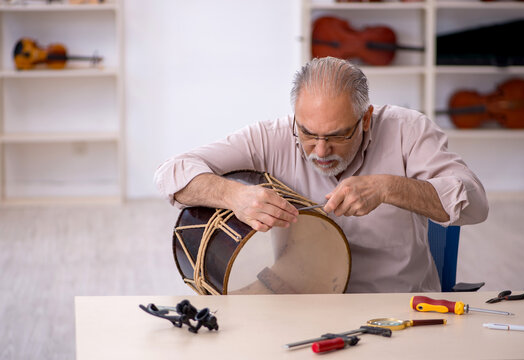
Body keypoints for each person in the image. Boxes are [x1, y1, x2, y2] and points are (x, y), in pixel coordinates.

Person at [154, 56, 489, 293]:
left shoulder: (407, 130)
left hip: (395, 306)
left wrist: (389, 187)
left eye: (337, 135)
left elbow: (475, 204)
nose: (320, 150)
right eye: (308, 133)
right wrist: (235, 196)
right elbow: (172, 172)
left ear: (366, 119)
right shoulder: (273, 135)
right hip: (302, 306)